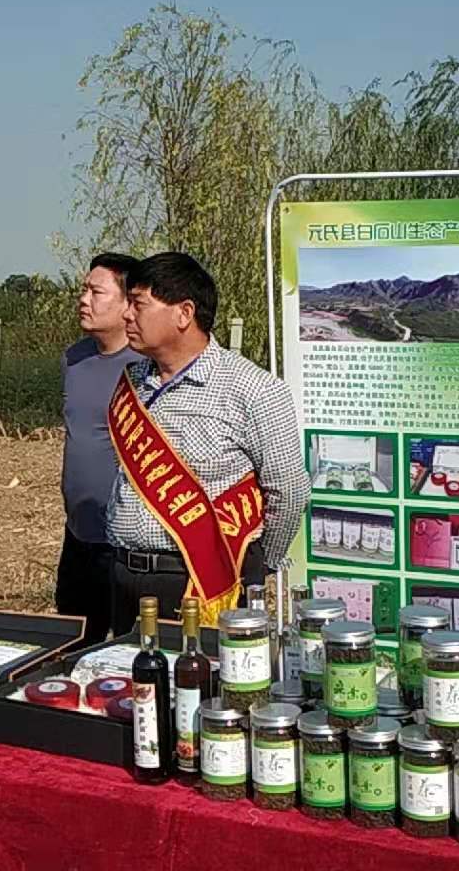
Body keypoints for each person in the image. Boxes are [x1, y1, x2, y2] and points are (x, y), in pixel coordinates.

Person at [105, 252, 307, 634]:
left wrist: (258, 564)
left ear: (184, 313)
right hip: (122, 575)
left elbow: (289, 491)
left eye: (138, 304)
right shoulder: (133, 381)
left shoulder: (253, 389)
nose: (126, 315)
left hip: (200, 582)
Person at [57, 253, 143, 642]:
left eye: (96, 292)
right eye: (83, 290)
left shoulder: (145, 366)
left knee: (129, 648)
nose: (83, 299)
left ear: (128, 303)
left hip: (126, 543)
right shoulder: (74, 359)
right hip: (78, 534)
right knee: (73, 643)